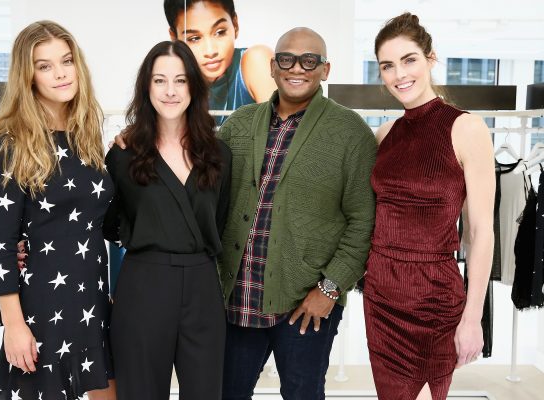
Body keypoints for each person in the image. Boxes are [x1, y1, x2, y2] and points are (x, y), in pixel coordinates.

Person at [217, 27, 376, 399]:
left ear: (326, 69)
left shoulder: (350, 133)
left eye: (310, 60)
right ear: (273, 66)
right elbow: (204, 193)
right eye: (287, 59)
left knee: (302, 394)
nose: (297, 68)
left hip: (306, 304)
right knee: (226, 393)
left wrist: (330, 288)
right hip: (237, 299)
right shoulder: (238, 124)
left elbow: (363, 221)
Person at [0, 21, 115, 400]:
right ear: (28, 75)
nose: (60, 73)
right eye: (44, 65)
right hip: (43, 309)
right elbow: (0, 245)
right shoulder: (11, 147)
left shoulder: (86, 138)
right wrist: (14, 326)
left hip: (93, 301)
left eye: (66, 61)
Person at [363, 13, 495, 400]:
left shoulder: (467, 128)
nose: (399, 74)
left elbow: (481, 233)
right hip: (381, 295)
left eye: (409, 60)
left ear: (430, 59)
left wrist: (474, 317)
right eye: (387, 65)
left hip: (434, 299)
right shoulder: (384, 134)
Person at [103, 40, 231, 400]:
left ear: (195, 86)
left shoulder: (219, 155)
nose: (170, 91)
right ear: (147, 87)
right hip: (144, 284)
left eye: (180, 80)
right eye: (160, 81)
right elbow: (109, 224)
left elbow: (218, 220)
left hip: (203, 286)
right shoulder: (124, 155)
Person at [164, 0, 276, 124]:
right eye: (194, 39)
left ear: (235, 25)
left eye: (220, 32)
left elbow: (283, 135)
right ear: (174, 38)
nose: (210, 51)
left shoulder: (256, 60)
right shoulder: (169, 80)